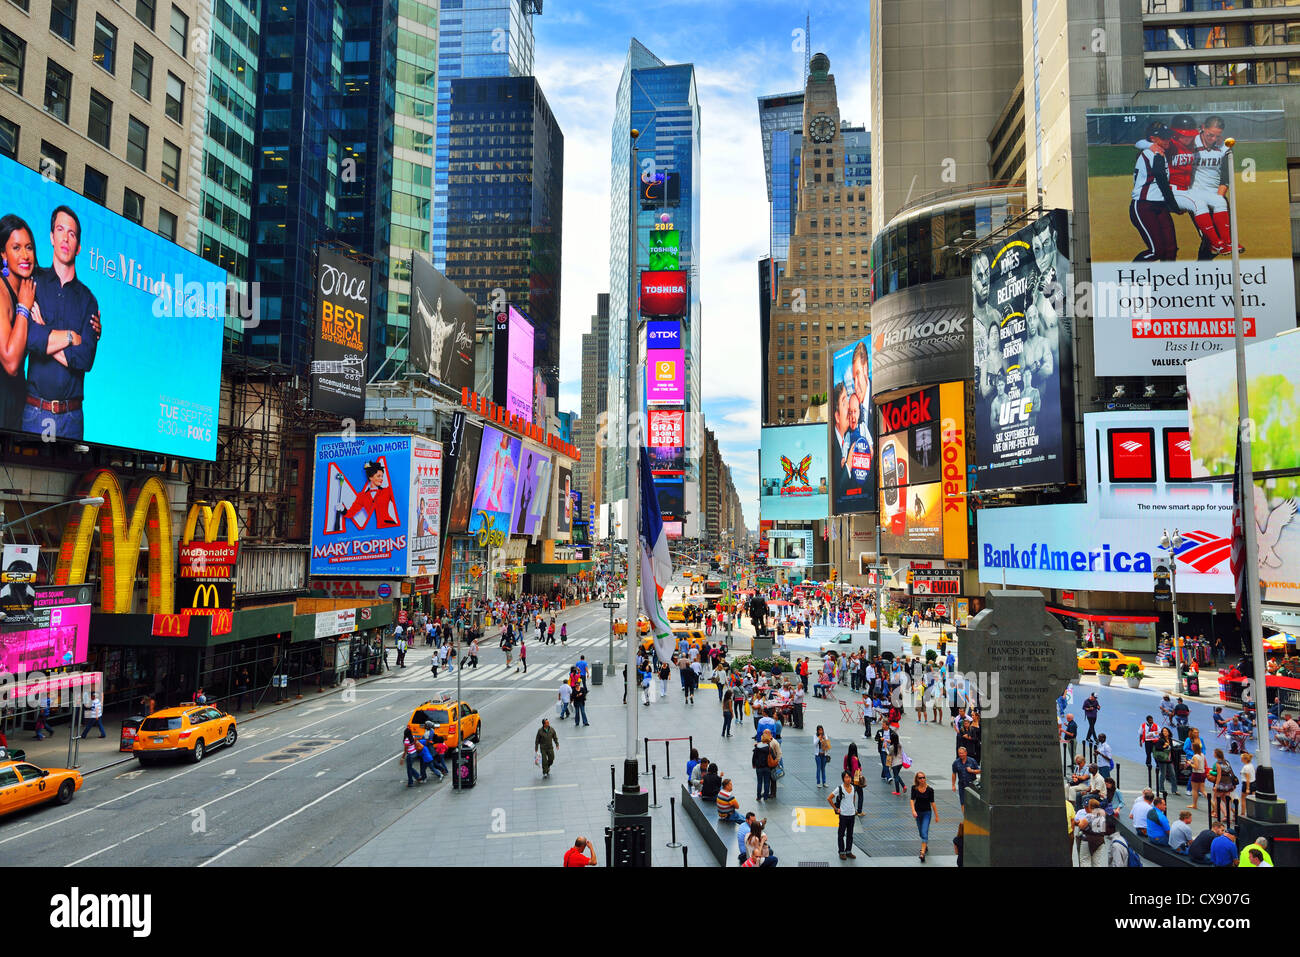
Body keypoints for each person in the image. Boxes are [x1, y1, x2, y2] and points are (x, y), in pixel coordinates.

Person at [22, 207, 100, 441]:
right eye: (60, 230)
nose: (65, 238)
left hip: (72, 418)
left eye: (72, 234)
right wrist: (69, 336)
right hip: (35, 413)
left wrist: (45, 331)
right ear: (51, 237)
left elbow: (85, 359)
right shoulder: (33, 282)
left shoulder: (88, 300)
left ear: (78, 247)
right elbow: (30, 338)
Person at [0, 214, 35, 431]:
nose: (25, 255)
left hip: (19, 403)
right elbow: (11, 363)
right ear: (3, 254)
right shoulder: (2, 292)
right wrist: (23, 307)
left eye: (29, 247)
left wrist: (93, 327)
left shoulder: (27, 289)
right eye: (16, 248)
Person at [909, 771, 939, 863]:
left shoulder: (930, 790)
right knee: (921, 832)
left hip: (927, 813)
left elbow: (932, 803)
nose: (922, 779)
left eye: (923, 777)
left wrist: (936, 815)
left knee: (924, 831)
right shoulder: (914, 788)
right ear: (917, 779)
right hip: (918, 813)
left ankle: (922, 853)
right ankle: (925, 844)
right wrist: (913, 810)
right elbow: (912, 800)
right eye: (920, 778)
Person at [830, 771, 858, 861]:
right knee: (841, 834)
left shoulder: (853, 787)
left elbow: (853, 797)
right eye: (846, 777)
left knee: (850, 834)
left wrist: (853, 807)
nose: (848, 779)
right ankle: (841, 852)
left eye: (849, 777)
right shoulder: (840, 788)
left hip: (852, 814)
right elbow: (829, 798)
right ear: (843, 779)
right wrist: (835, 808)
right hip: (843, 815)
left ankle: (848, 851)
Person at [1209, 748, 1237, 823]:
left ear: (1216, 754)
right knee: (1227, 800)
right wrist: (1234, 783)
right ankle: (1234, 813)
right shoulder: (1227, 762)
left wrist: (1216, 786)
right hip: (1228, 783)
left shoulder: (1218, 764)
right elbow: (1231, 772)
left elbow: (1219, 776)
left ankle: (1225, 815)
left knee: (1216, 799)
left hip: (1221, 784)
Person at [1154, 727, 1180, 797]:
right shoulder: (1161, 740)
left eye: (1166, 731)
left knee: (1173, 774)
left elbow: (1171, 749)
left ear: (1168, 732)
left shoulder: (1170, 740)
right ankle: (1161, 789)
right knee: (1163, 774)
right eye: (1163, 731)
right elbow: (1157, 748)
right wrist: (1164, 746)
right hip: (1162, 760)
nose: (1165, 732)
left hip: (1169, 760)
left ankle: (1174, 790)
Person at [752, 732, 773, 802]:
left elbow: (754, 757)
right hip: (767, 767)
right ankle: (765, 797)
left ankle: (758, 796)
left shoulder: (757, 747)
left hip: (759, 767)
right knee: (767, 782)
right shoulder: (769, 748)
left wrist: (754, 764)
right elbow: (773, 756)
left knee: (759, 782)